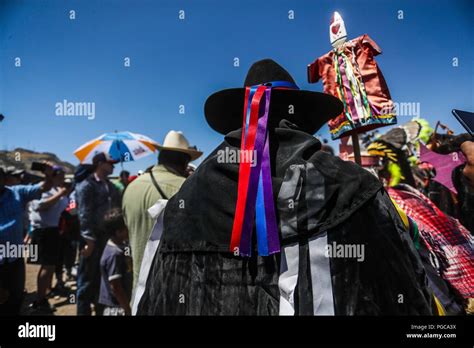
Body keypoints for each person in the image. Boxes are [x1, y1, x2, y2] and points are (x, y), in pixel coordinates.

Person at [137, 59, 434, 315]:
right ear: (303, 119)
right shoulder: (355, 186)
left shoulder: (184, 200)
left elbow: (157, 300)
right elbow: (408, 295)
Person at [122, 130, 202, 291]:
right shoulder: (186, 188)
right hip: (171, 291)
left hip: (138, 290)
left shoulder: (131, 187)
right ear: (184, 161)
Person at [0, 163, 54, 315]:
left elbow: (45, 187)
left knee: (15, 300)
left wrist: (48, 174)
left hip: (14, 258)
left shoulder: (17, 192)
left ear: (4, 179)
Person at [75, 152, 121, 315]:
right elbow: (84, 214)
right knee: (86, 281)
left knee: (102, 280)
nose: (113, 166)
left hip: (106, 239)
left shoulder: (111, 186)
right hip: (92, 240)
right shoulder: (87, 185)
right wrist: (89, 241)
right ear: (100, 164)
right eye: (110, 163)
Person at [28, 166, 70, 313]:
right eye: (60, 176)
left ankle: (45, 293)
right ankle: (40, 299)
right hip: (43, 231)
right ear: (53, 176)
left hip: (53, 230)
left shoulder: (58, 190)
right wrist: (60, 195)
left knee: (51, 265)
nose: (62, 179)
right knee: (46, 265)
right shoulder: (40, 188)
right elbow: (40, 206)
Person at [99, 209, 132, 316]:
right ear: (118, 232)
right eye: (125, 228)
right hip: (117, 309)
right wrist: (127, 309)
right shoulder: (114, 254)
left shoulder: (119, 247)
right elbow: (116, 287)